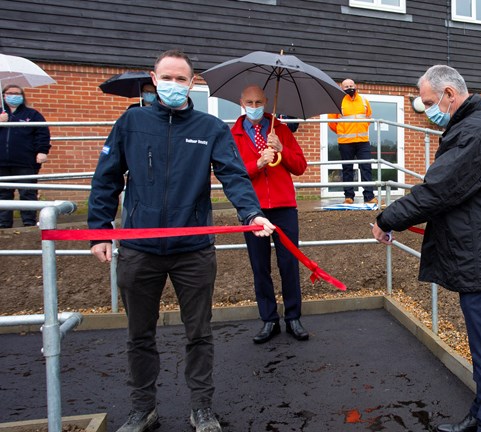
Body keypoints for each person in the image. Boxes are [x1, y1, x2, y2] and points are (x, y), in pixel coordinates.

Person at [88, 50, 275, 432]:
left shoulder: (210, 129)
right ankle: (143, 409)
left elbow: (235, 177)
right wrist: (100, 228)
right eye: (167, 78)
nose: (174, 85)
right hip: (140, 249)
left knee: (199, 333)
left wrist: (251, 213)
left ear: (192, 83)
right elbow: (106, 177)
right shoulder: (132, 122)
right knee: (139, 334)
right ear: (154, 80)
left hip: (193, 250)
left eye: (181, 79)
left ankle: (201, 408)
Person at [371, 65, 481, 432]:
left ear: (450, 95)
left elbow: (437, 190)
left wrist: (386, 218)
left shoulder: (475, 133)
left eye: (428, 103)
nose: (427, 111)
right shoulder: (473, 129)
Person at [232, 85, 309, 344]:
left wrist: (281, 150)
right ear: (241, 103)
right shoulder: (233, 134)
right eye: (250, 102)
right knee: (260, 265)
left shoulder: (281, 130)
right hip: (253, 210)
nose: (255, 107)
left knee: (289, 263)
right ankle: (268, 320)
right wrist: (258, 164)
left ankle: (293, 317)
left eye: (259, 102)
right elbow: (231, 173)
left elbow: (300, 166)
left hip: (284, 206)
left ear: (266, 101)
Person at [0, 84, 51, 228]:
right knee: (3, 194)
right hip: (2, 162)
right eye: (10, 93)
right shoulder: (1, 114)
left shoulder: (32, 114)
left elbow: (42, 133)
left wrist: (42, 151)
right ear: (3, 95)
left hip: (25, 161)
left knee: (27, 191)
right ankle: (3, 224)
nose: (14, 96)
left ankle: (29, 223)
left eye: (18, 93)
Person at [328, 78, 377, 205]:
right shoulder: (338, 102)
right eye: (346, 86)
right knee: (347, 169)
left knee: (366, 168)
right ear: (341, 88)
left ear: (355, 86)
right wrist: (342, 132)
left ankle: (369, 196)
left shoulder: (364, 100)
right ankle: (349, 197)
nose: (349, 87)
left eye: (351, 85)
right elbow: (331, 123)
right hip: (345, 142)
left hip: (363, 141)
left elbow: (368, 117)